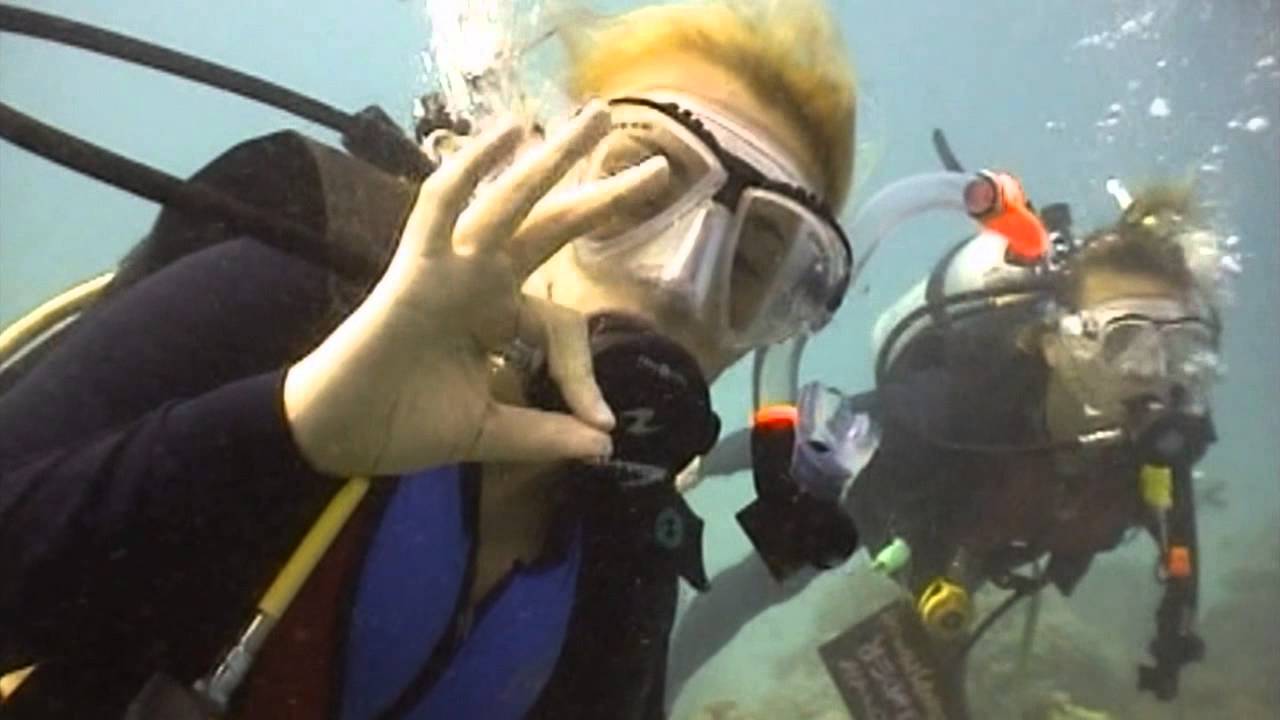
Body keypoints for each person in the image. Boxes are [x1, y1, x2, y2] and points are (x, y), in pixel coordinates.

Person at [0, 1, 858, 718]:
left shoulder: (623, 555)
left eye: (753, 268)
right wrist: (293, 426)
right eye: (640, 189)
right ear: (536, 165)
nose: (678, 283)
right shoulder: (301, 303)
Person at [667, 180, 1228, 709]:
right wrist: (708, 459)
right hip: (865, 498)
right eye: (1125, 341)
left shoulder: (1155, 459)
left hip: (972, 548)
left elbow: (1179, 555)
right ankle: (646, 690)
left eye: (1181, 348)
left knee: (935, 655)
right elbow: (829, 425)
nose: (1156, 376)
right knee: (753, 586)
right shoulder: (958, 404)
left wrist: (1173, 634)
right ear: (1053, 344)